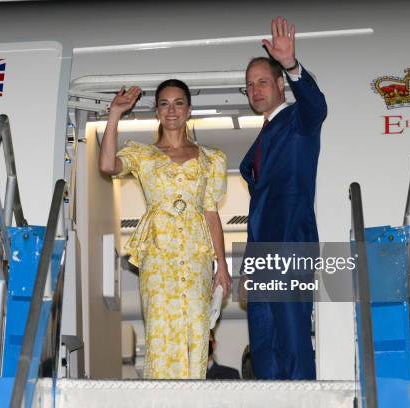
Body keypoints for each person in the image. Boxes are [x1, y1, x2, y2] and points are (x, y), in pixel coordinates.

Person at [99, 79, 231, 379]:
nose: (172, 110)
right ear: (157, 111)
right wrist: (115, 115)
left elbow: (210, 212)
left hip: (196, 255)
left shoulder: (212, 158)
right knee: (161, 329)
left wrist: (221, 265)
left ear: (188, 109)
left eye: (178, 103)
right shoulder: (142, 154)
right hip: (158, 255)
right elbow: (106, 165)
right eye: (164, 103)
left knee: (196, 331)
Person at [239, 17, 327, 380]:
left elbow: (317, 106)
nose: (255, 90)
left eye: (262, 82)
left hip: (291, 246)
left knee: (292, 343)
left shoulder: (297, 122)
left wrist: (292, 65)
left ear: (280, 85)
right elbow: (258, 207)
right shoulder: (259, 142)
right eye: (249, 86)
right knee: (263, 349)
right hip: (261, 256)